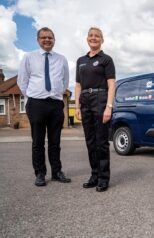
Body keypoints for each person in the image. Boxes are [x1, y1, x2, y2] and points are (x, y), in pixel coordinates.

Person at [17, 27, 71, 186]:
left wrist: (56, 95)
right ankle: (40, 173)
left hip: (55, 104)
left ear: (54, 40)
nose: (47, 40)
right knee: (37, 141)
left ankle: (56, 172)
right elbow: (22, 81)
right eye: (43, 37)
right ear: (38, 40)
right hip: (36, 103)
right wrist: (32, 97)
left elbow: (65, 82)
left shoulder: (61, 59)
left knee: (55, 142)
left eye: (50, 37)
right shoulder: (29, 57)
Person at [75, 27, 115, 192]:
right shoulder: (80, 61)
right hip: (85, 100)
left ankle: (104, 178)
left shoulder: (106, 59)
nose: (94, 38)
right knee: (90, 141)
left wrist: (108, 107)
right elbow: (77, 85)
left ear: (102, 40)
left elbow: (111, 84)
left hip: (100, 100)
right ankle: (94, 175)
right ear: (87, 39)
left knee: (101, 142)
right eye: (91, 35)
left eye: (97, 36)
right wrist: (77, 106)